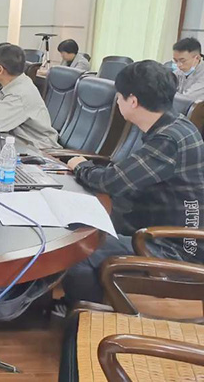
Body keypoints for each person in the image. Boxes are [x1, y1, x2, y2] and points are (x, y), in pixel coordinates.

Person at [62, 60, 204, 305]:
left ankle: (87, 313)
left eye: (119, 97)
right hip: (161, 231)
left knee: (78, 251)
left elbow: (111, 182)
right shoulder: (177, 126)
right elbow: (126, 176)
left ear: (133, 101)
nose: (117, 102)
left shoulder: (168, 140)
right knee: (79, 226)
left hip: (174, 248)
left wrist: (80, 166)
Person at [172, 37, 204, 101]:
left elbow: (186, 99)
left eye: (183, 61)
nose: (178, 65)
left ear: (197, 58)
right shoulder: (179, 72)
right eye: (176, 60)